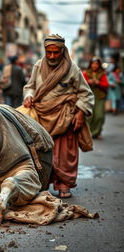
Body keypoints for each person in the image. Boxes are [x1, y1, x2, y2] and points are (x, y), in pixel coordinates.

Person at [22, 34, 94, 198]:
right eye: (49, 52)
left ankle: (64, 184)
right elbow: (30, 86)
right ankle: (43, 184)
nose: (52, 56)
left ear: (63, 51)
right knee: (41, 153)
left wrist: (81, 112)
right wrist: (28, 96)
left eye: (56, 52)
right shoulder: (38, 66)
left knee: (65, 154)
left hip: (65, 118)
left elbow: (86, 94)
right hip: (41, 117)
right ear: (45, 51)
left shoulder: (73, 69)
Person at [83, 57, 109, 139]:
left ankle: (97, 132)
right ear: (90, 64)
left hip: (99, 97)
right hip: (88, 96)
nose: (94, 65)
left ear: (99, 65)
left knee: (99, 115)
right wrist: (89, 82)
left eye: (96, 64)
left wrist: (98, 83)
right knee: (89, 116)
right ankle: (88, 133)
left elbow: (106, 85)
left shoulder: (102, 74)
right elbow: (81, 84)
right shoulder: (85, 73)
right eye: (93, 63)